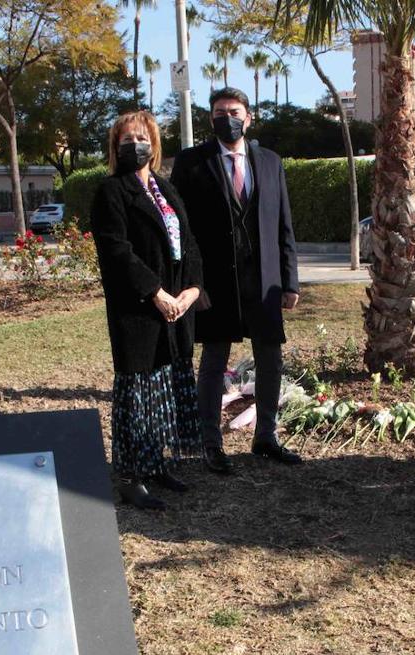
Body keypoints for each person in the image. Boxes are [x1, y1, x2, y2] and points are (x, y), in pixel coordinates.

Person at [171, 87, 301, 473]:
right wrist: (194, 284)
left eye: (233, 110)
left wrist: (289, 281)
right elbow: (182, 229)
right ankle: (210, 444)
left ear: (248, 117)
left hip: (264, 281)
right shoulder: (192, 163)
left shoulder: (271, 162)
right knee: (214, 360)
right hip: (214, 283)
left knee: (270, 359)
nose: (226, 117)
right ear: (210, 118)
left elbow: (284, 225)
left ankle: (266, 437)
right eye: (218, 112)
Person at [91, 110, 203, 511]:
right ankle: (130, 476)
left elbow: (187, 242)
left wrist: (192, 290)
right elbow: (118, 252)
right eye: (126, 139)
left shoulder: (166, 189)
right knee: (136, 395)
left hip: (175, 310)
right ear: (116, 147)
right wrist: (156, 293)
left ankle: (156, 464)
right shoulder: (111, 192)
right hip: (138, 311)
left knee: (165, 391)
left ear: (153, 145)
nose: (134, 145)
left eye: (141, 138)